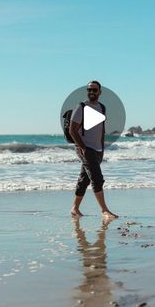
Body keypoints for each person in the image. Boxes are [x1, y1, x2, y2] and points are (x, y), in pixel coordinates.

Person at [69, 80, 118, 219]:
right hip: (85, 148)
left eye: (94, 90)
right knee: (97, 178)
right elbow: (72, 130)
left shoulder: (102, 107)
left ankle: (75, 208)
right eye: (89, 90)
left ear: (100, 92)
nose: (91, 92)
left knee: (84, 179)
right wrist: (83, 147)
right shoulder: (81, 107)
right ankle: (104, 210)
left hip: (97, 148)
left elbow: (101, 130)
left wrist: (102, 149)